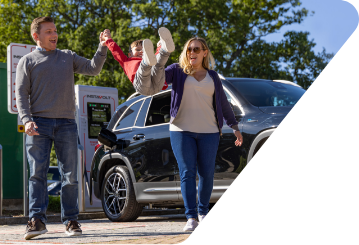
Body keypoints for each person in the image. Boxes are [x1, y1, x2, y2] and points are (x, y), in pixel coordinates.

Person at [133, 36, 243, 231]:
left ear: (204, 52)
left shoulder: (214, 77)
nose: (192, 52)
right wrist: (158, 58)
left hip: (209, 131)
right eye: (189, 49)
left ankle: (204, 213)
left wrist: (234, 126)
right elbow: (158, 81)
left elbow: (223, 104)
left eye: (197, 49)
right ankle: (191, 217)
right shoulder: (177, 71)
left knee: (207, 174)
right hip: (182, 130)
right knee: (187, 173)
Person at [15, 16, 108, 240]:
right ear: (36, 36)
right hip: (38, 123)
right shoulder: (27, 61)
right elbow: (21, 94)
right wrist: (26, 119)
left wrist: (102, 47)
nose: (54, 34)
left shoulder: (68, 56)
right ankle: (36, 220)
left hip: (67, 123)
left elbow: (93, 69)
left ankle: (71, 220)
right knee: (37, 175)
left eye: (55, 30)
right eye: (48, 31)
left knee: (70, 176)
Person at [102, 27, 174, 92]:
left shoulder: (151, 59)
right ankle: (147, 62)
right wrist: (108, 40)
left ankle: (165, 50)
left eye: (144, 50)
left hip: (158, 84)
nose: (141, 51)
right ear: (130, 54)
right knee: (145, 67)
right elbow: (116, 50)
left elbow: (157, 58)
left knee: (158, 64)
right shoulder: (126, 61)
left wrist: (160, 47)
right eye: (138, 49)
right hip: (142, 85)